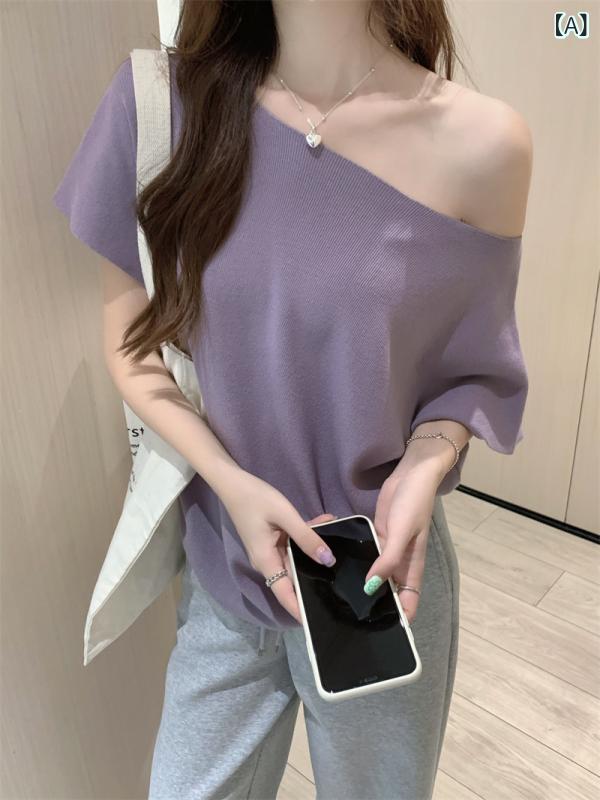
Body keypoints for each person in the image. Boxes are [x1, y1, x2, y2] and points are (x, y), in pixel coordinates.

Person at [52, 0, 531, 797]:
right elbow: (135, 348)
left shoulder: (483, 144)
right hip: (227, 566)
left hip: (380, 579)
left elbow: (473, 374)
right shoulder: (159, 106)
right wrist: (231, 485)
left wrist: (425, 462)